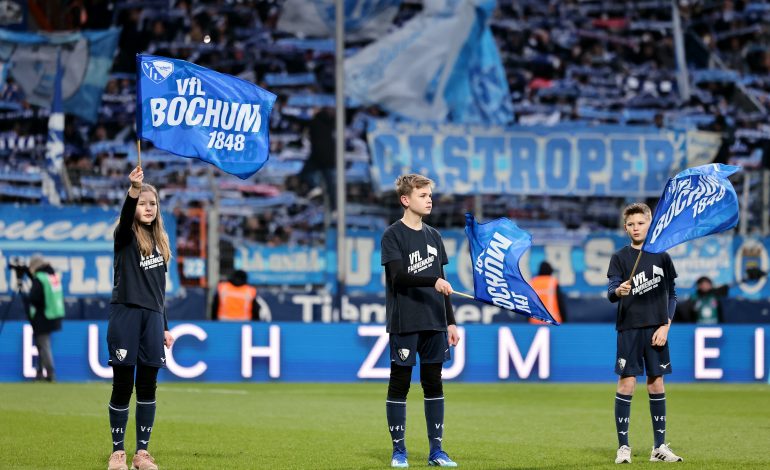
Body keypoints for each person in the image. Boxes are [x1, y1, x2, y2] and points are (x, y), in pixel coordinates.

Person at [380, 174, 460, 468]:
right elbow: (398, 278)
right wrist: (434, 280)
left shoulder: (434, 236)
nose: (429, 200)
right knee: (400, 383)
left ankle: (436, 451)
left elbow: (444, 284)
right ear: (406, 200)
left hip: (434, 321)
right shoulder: (392, 235)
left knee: (433, 383)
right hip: (405, 321)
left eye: (429, 195)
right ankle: (399, 451)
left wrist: (450, 321)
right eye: (423, 195)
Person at [107, 167, 174, 470]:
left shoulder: (161, 241)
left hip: (152, 320)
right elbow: (123, 221)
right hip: (126, 316)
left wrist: (165, 326)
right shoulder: (123, 237)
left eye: (152, 204)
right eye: (142, 203)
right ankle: (117, 452)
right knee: (123, 385)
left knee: (148, 386)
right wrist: (133, 188)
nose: (148, 208)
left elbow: (158, 291)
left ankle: (141, 454)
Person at [607, 203, 683, 464]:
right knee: (627, 383)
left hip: (656, 329)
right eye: (631, 224)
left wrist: (665, 326)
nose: (636, 227)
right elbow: (611, 292)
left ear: (649, 224)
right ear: (625, 227)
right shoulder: (620, 257)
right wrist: (619, 291)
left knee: (656, 382)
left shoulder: (661, 255)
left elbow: (672, 294)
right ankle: (623, 448)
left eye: (640, 223)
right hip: (629, 328)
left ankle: (659, 447)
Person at [21, 255, 65, 382]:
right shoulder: (51, 276)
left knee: (43, 344)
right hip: (54, 313)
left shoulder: (40, 278)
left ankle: (50, 373)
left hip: (43, 315)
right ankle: (40, 372)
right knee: (42, 344)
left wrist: (29, 300)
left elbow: (35, 297)